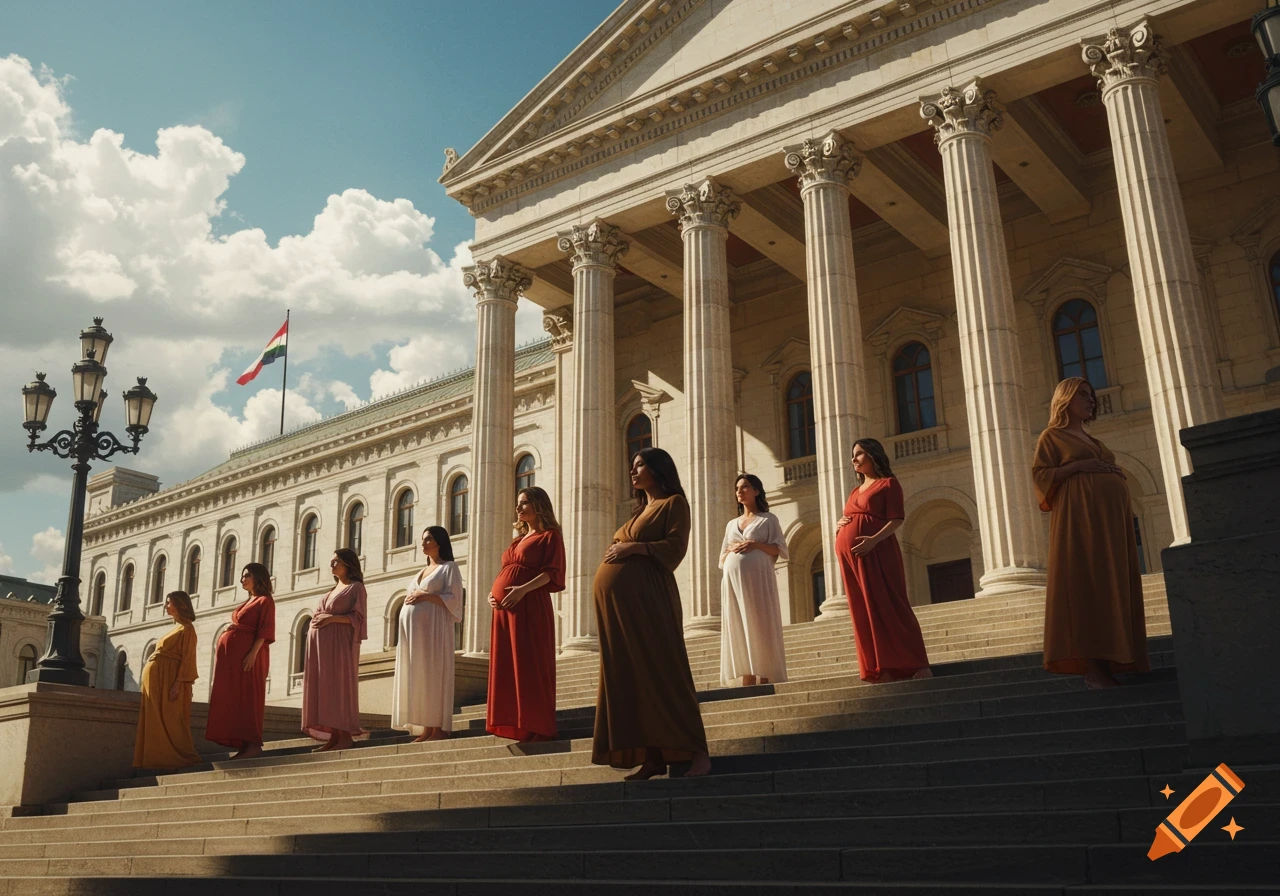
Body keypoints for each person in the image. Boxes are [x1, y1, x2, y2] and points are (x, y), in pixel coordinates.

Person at [592, 446, 711, 779]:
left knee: (665, 672)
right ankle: (654, 757)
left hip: (650, 602)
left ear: (659, 469)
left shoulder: (675, 504)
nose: (633, 470)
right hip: (621, 610)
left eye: (640, 464)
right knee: (634, 679)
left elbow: (675, 549)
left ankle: (699, 752)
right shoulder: (639, 511)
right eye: (632, 465)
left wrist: (634, 547)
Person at [1032, 377, 1149, 689]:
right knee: (1090, 585)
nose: (1091, 400)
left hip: (1108, 525)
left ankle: (1114, 659)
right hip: (1081, 522)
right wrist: (1079, 468)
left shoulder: (1088, 438)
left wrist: (1110, 470)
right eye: (1083, 395)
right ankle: (1093, 670)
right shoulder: (1052, 436)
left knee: (1110, 584)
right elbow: (1041, 476)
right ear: (1065, 399)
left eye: (1092, 395)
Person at [835, 438, 932, 682]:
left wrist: (873, 540)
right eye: (853, 455)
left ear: (873, 455)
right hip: (853, 557)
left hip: (878, 552)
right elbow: (852, 516)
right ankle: (881, 667)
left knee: (891, 605)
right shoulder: (855, 491)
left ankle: (919, 665)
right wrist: (840, 525)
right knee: (864, 610)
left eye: (858, 454)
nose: (853, 459)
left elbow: (897, 519)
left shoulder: (889, 484)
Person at [486, 486, 565, 742]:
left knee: (530, 665)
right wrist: (492, 594)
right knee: (511, 667)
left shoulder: (549, 536)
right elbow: (507, 571)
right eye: (518, 504)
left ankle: (539, 726)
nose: (518, 508)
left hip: (530, 606)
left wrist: (521, 590)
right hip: (504, 610)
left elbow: (552, 572)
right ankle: (520, 725)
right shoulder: (517, 539)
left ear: (538, 505)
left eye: (523, 503)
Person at [392, 526, 464, 742]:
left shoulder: (449, 567)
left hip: (435, 633)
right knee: (420, 677)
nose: (423, 543)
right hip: (416, 637)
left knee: (433, 675)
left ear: (440, 542)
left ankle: (437, 728)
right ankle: (426, 728)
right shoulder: (420, 572)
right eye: (422, 540)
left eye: (428, 539)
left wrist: (425, 596)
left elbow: (455, 599)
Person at [719, 473, 789, 687]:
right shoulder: (731, 524)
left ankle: (766, 673)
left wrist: (754, 545)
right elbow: (722, 558)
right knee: (739, 624)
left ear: (756, 491)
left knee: (760, 622)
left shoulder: (768, 519)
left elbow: (779, 550)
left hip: (758, 580)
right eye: (737, 488)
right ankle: (746, 675)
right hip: (733, 583)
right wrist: (731, 550)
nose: (739, 491)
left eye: (745, 486)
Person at [206, 562, 275, 760]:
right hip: (236, 661)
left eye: (246, 576)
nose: (242, 579)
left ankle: (252, 744)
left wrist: (253, 653)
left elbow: (265, 629)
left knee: (249, 698)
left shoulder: (265, 601)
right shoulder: (250, 600)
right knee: (236, 700)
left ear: (257, 577)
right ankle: (244, 745)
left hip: (249, 659)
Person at [302, 548, 368, 751]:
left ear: (347, 564)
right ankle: (334, 736)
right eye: (331, 561)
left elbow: (359, 618)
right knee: (326, 690)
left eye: (336, 561)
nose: (331, 564)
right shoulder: (332, 590)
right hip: (322, 651)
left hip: (340, 648)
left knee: (339, 688)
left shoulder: (356, 588)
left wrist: (331, 619)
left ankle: (345, 735)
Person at [133, 590, 201, 769]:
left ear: (180, 605)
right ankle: (154, 758)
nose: (165, 606)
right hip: (158, 681)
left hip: (169, 681)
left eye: (169, 602)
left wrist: (178, 684)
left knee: (171, 719)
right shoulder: (176, 628)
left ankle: (175, 757)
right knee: (155, 718)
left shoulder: (187, 629)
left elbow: (188, 658)